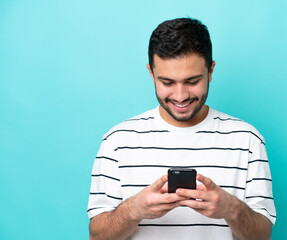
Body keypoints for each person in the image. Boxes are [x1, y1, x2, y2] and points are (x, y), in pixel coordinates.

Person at [88, 17, 276, 240]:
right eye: (167, 83)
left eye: (192, 81)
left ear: (211, 70)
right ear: (151, 73)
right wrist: (134, 210)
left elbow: (262, 236)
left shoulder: (248, 140)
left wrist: (230, 209)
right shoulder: (117, 141)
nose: (180, 96)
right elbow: (96, 237)